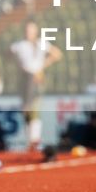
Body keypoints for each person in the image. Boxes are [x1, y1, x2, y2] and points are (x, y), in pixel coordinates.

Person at [8, 22, 61, 153]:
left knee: (34, 107)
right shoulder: (19, 45)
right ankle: (31, 140)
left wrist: (42, 66)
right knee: (26, 108)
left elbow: (57, 54)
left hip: (36, 78)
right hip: (24, 78)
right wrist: (19, 66)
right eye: (26, 30)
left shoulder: (42, 43)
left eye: (31, 30)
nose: (28, 33)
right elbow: (8, 56)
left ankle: (35, 140)